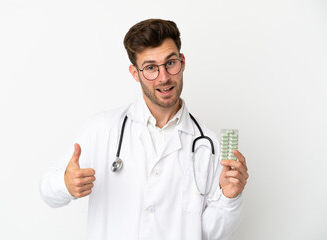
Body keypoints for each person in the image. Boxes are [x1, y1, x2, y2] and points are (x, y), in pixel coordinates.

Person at [40, 18, 249, 240]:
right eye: (150, 68)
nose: (164, 77)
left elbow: (207, 234)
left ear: (183, 62)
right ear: (134, 73)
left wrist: (229, 197)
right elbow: (46, 189)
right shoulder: (102, 129)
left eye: (170, 63)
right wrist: (65, 184)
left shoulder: (208, 144)